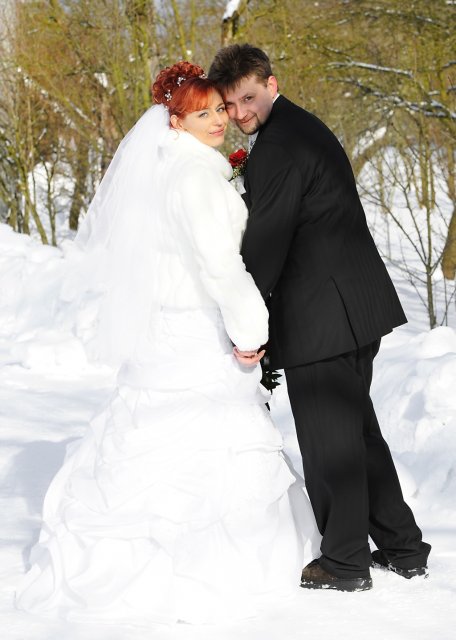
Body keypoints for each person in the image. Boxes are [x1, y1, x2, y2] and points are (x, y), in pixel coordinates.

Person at [15, 62, 312, 625]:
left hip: (167, 330)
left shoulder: (173, 168)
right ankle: (198, 570)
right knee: (200, 443)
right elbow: (219, 266)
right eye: (202, 114)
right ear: (175, 122)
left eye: (220, 109)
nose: (218, 120)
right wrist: (253, 329)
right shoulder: (196, 178)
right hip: (193, 332)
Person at [208, 44, 431, 592]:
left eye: (247, 99)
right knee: (357, 435)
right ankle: (403, 547)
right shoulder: (300, 127)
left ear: (271, 84)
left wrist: (245, 320)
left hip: (322, 317)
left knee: (331, 444)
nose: (239, 113)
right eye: (230, 104)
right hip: (353, 306)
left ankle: (345, 562)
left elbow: (266, 246)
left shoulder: (278, 148)